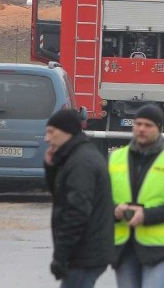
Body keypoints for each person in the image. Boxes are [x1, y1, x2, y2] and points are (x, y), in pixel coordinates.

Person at [110, 105, 164, 288]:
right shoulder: (115, 158)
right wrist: (115, 211)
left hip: (157, 248)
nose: (141, 129)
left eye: (148, 125)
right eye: (138, 124)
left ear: (159, 129)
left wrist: (146, 215)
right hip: (124, 247)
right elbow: (99, 199)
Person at [43, 109, 114, 288]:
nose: (47, 138)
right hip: (84, 253)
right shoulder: (76, 155)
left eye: (51, 132)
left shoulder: (81, 162)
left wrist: (61, 257)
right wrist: (51, 168)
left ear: (67, 132)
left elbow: (77, 211)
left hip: (85, 254)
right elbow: (61, 197)